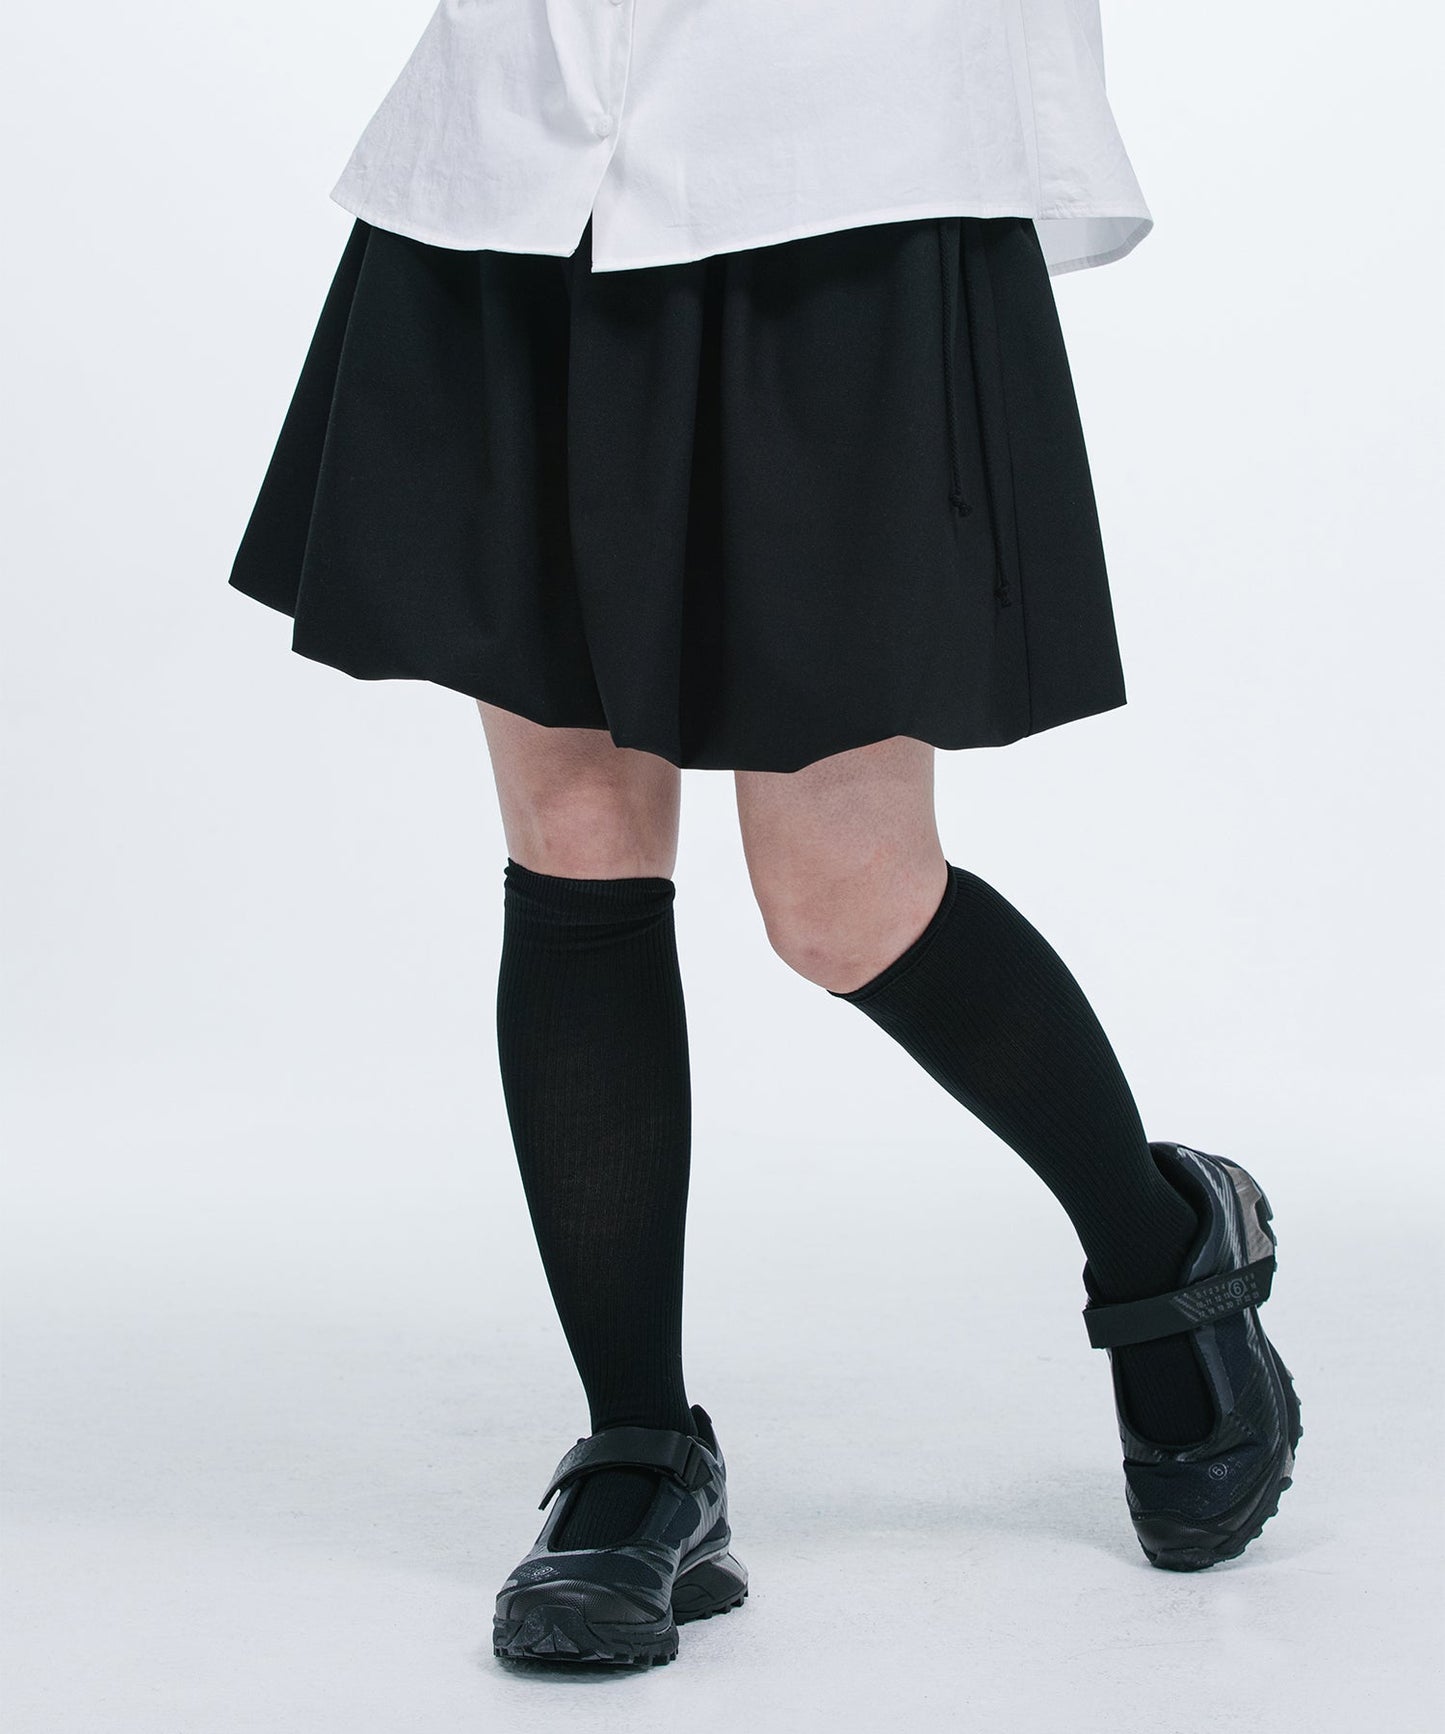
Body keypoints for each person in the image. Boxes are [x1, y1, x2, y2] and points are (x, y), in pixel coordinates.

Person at [227, 2, 1301, 1668]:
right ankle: (640, 1450)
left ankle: (1163, 1244)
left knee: (842, 893)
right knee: (575, 831)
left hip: (840, 175)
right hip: (531, 156)